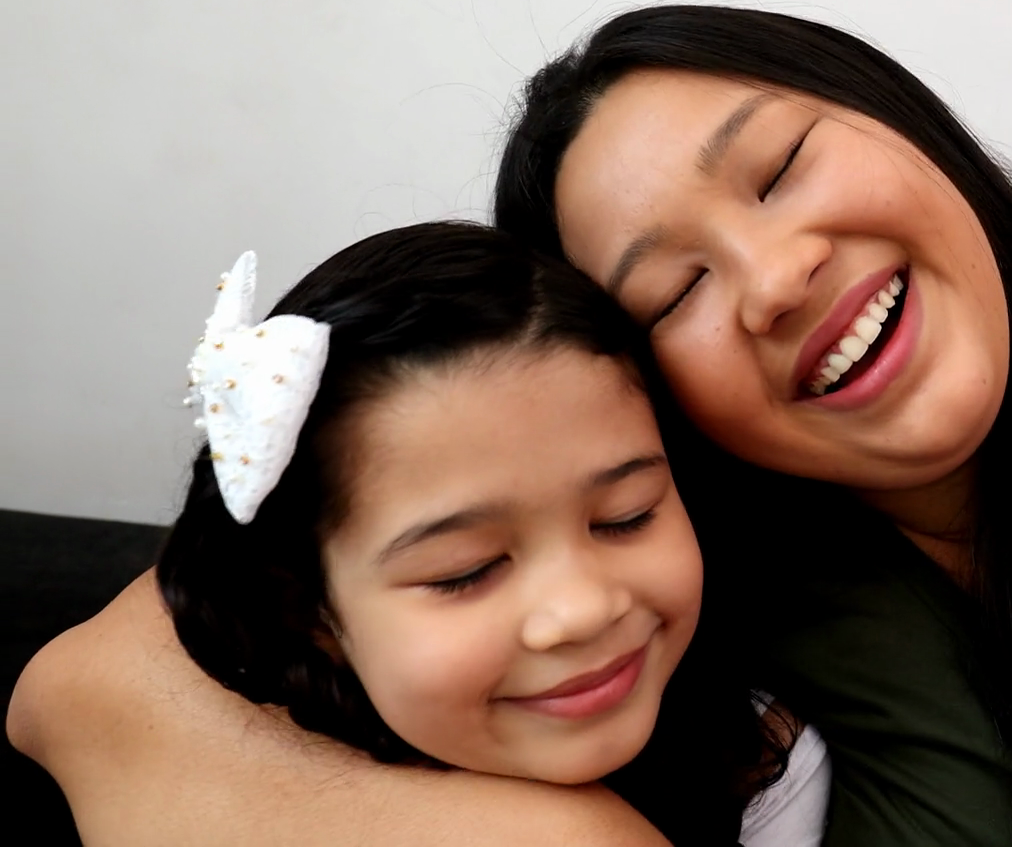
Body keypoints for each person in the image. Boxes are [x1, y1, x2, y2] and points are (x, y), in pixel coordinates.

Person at [10, 6, 1012, 846]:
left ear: (906, 122)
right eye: (674, 291)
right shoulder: (664, 606)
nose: (775, 280)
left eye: (781, 168)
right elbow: (94, 682)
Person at [153, 222, 826, 847]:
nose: (582, 609)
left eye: (626, 516)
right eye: (466, 570)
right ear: (308, 610)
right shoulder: (203, 766)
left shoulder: (769, 765)